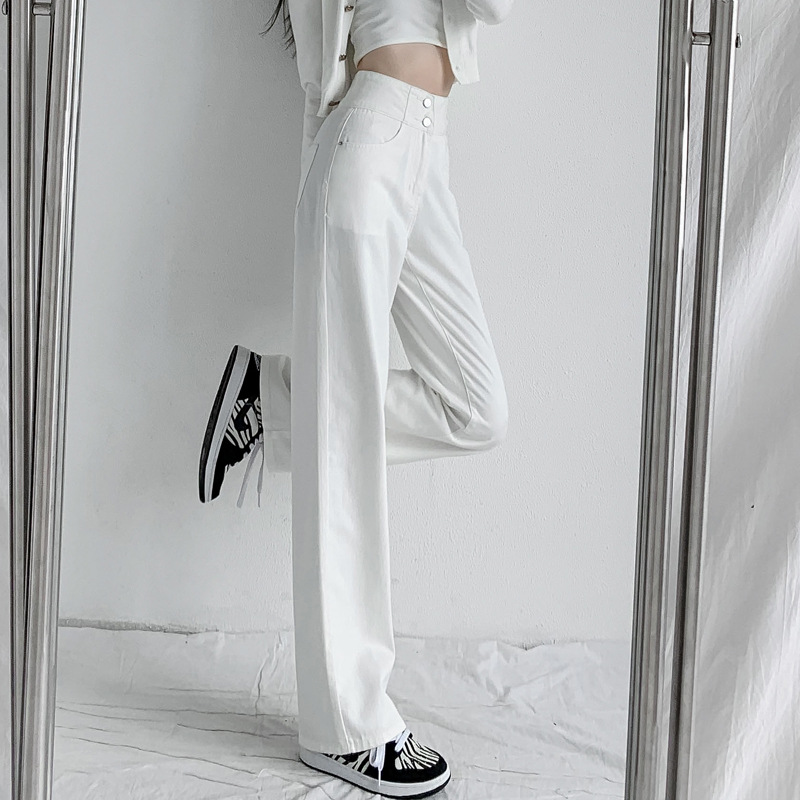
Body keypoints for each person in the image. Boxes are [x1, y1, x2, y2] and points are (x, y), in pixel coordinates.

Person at [198, 0, 513, 796]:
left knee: (476, 408)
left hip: (421, 147)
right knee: (341, 440)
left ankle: (272, 398)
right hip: (373, 140)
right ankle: (347, 727)